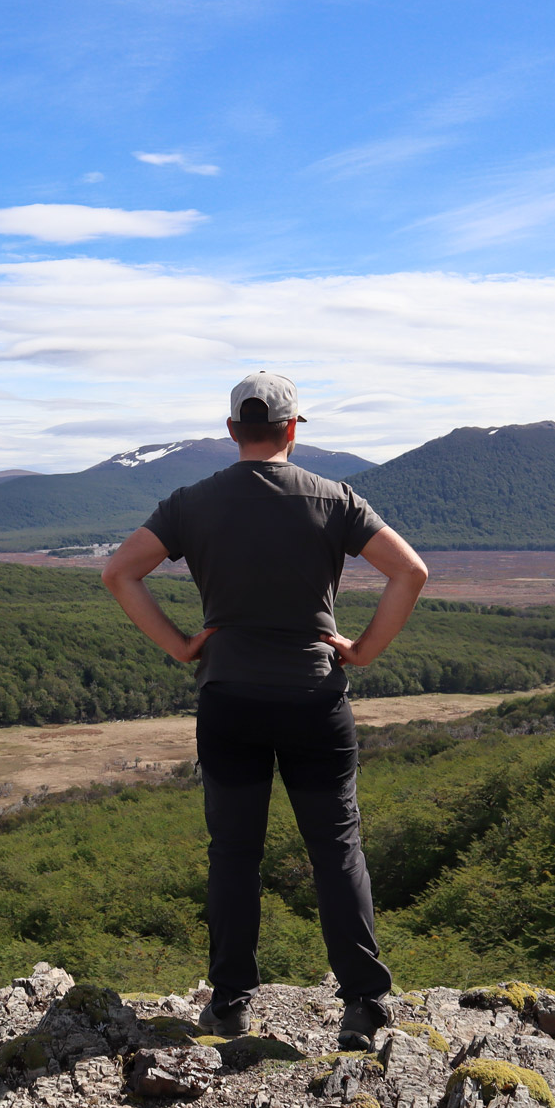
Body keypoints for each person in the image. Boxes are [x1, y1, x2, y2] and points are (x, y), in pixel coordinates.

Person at [100, 371, 429, 1049]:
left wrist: (183, 646)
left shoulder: (192, 501)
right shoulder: (333, 498)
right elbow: (410, 571)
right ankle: (363, 1006)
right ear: (291, 428)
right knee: (335, 849)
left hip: (230, 700)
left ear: (231, 431)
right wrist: (361, 650)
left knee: (234, 855)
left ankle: (229, 1004)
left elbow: (119, 572)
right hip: (315, 698)